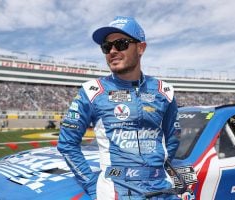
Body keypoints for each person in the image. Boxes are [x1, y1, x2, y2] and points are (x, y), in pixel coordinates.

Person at [58, 16, 181, 200]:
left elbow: (173, 138)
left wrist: (156, 169)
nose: (112, 51)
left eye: (121, 44)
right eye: (106, 47)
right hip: (117, 193)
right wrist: (92, 185)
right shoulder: (92, 91)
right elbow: (67, 144)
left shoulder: (164, 91)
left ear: (141, 48)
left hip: (163, 189)